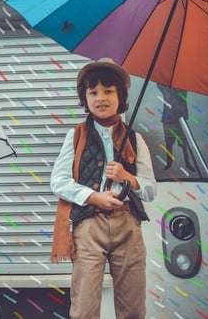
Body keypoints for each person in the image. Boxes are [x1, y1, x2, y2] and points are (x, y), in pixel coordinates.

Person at [49, 58, 157, 319]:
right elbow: (59, 181)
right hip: (89, 226)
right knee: (84, 306)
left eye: (109, 91)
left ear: (121, 96)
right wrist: (94, 196)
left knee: (132, 307)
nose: (101, 98)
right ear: (84, 98)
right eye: (93, 92)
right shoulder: (75, 135)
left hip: (128, 226)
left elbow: (151, 190)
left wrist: (127, 178)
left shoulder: (135, 138)